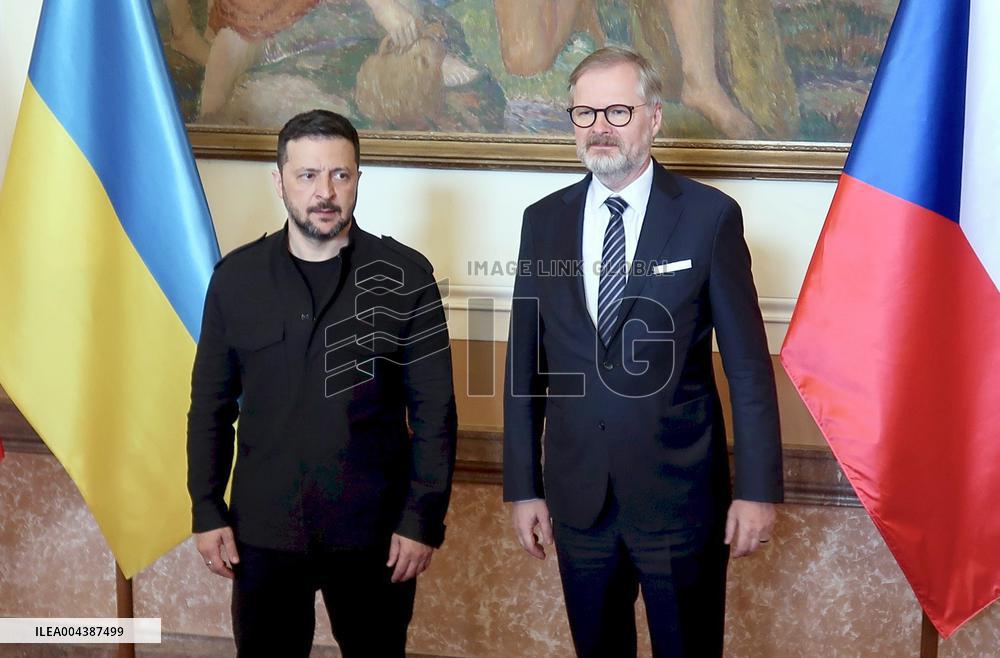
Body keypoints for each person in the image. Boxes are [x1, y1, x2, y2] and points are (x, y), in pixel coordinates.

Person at [503, 47, 782, 657]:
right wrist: (523, 487)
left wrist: (757, 488)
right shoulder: (541, 222)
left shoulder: (709, 218)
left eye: (617, 111)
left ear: (654, 118)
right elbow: (524, 368)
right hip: (579, 503)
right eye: (584, 113)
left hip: (680, 499)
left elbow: (749, 370)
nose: (599, 126)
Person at [187, 109, 457, 658]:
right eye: (307, 175)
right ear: (279, 181)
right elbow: (210, 407)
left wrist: (421, 519)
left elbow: (435, 415)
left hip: (375, 537)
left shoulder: (407, 278)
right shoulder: (235, 279)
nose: (324, 192)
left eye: (340, 174)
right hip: (263, 533)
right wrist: (206, 507)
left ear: (358, 178)